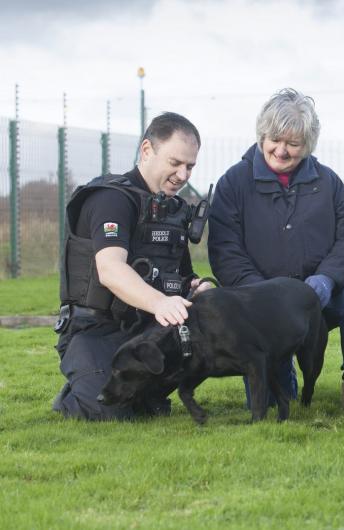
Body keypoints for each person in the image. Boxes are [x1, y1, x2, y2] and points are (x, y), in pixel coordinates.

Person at [208, 88, 344, 412]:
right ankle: (279, 368)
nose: (282, 151)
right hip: (262, 306)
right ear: (262, 135)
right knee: (274, 405)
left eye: (294, 144)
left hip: (319, 299)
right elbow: (225, 252)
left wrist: (326, 280)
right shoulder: (234, 183)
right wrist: (267, 295)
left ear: (308, 144)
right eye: (275, 139)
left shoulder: (328, 183)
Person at [53, 112, 212, 420]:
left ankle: (145, 394)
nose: (183, 174)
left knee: (146, 407)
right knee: (110, 409)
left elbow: (182, 276)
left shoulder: (174, 210)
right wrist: (160, 302)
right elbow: (111, 270)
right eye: (175, 162)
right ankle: (76, 395)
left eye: (190, 166)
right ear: (147, 151)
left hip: (144, 329)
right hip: (95, 329)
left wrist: (195, 287)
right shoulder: (111, 199)